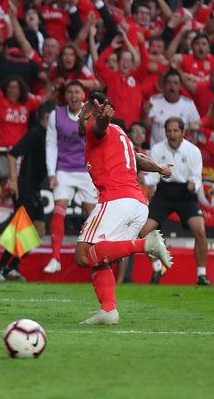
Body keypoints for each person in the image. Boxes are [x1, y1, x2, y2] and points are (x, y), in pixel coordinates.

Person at [74, 91, 174, 325]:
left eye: (82, 110)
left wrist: (102, 118)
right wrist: (159, 168)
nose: (78, 115)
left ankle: (145, 244)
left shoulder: (96, 128)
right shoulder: (121, 136)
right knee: (102, 258)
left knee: (82, 254)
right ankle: (108, 310)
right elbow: (139, 159)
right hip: (138, 205)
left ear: (91, 111)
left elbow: (99, 129)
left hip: (116, 199)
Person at [140, 117, 210, 285]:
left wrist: (194, 184)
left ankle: (201, 275)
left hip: (185, 193)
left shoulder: (193, 151)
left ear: (183, 132)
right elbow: (153, 178)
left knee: (200, 230)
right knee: (142, 231)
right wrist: (144, 180)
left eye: (175, 131)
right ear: (165, 132)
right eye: (169, 131)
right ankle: (158, 268)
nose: (172, 134)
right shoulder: (157, 150)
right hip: (164, 192)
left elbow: (196, 176)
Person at [0, 102, 54, 281]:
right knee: (21, 229)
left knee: (39, 231)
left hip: (35, 188)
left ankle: (11, 267)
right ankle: (0, 268)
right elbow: (13, 154)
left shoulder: (50, 135)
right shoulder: (36, 133)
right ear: (46, 116)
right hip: (25, 185)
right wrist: (13, 180)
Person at [43, 81, 97, 274]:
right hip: (64, 170)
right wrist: (51, 173)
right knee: (59, 211)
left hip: (86, 171)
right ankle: (55, 258)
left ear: (83, 95)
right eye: (70, 92)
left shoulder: (91, 114)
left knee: (93, 215)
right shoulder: (56, 115)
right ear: (66, 96)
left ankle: (94, 256)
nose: (74, 96)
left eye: (77, 92)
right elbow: (51, 145)